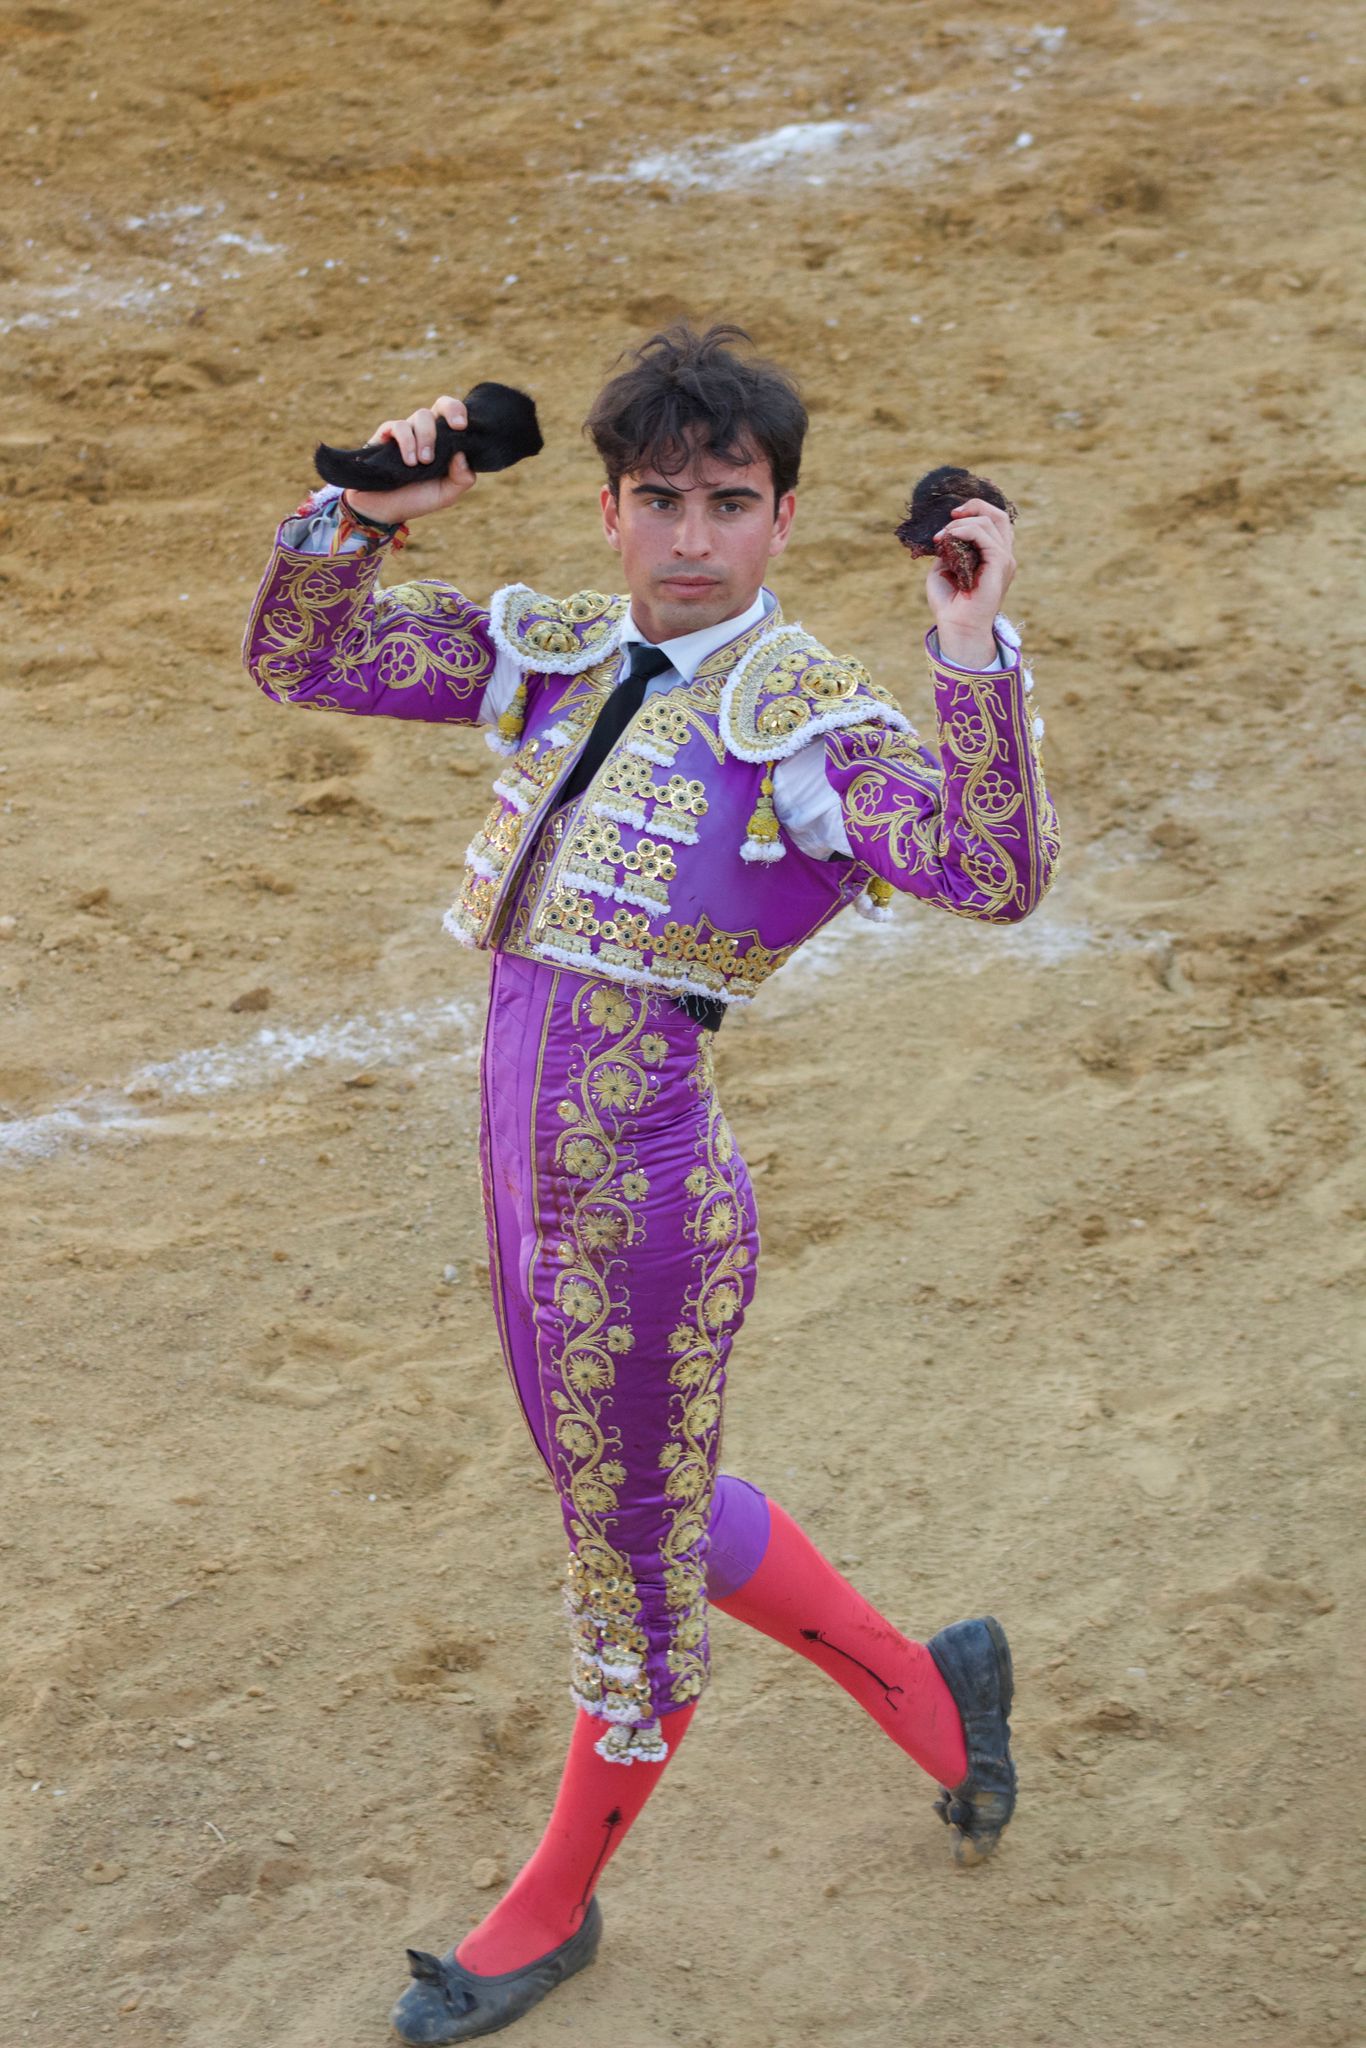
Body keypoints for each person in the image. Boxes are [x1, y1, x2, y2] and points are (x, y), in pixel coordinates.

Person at [243, 322, 1059, 2044]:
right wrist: (368, 505)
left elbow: (989, 871)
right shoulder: (551, 649)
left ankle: (546, 1908)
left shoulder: (807, 724)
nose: (694, 537)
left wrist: (968, 640)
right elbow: (303, 657)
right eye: (661, 501)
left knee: (625, 1571)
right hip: (522, 1197)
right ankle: (932, 1693)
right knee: (644, 1506)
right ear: (610, 513)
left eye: (732, 503)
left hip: (640, 1215)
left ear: (781, 521)